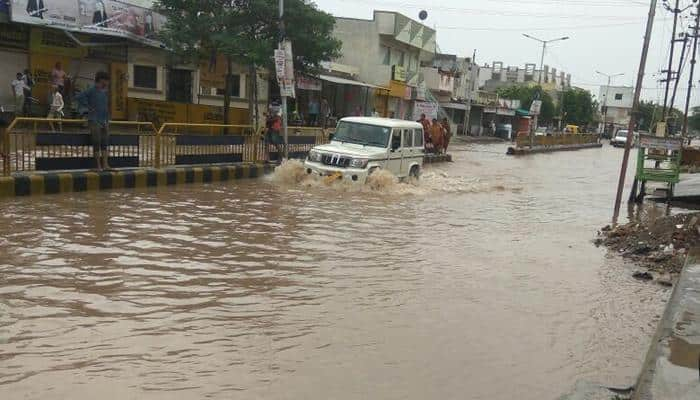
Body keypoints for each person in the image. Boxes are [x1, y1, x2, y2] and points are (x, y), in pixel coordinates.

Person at [76, 71, 111, 171]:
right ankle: (98, 166)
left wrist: (107, 122)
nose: (108, 83)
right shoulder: (91, 90)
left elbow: (105, 108)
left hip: (103, 121)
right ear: (101, 80)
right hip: (94, 120)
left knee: (104, 143)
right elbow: (79, 97)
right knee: (97, 142)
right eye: (107, 81)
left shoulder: (104, 93)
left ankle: (105, 165)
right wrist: (88, 107)